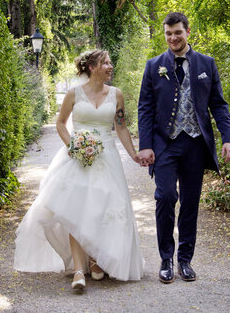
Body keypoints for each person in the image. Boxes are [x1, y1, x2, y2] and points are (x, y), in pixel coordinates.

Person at [14, 50, 144, 290]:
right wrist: (74, 147)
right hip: (78, 159)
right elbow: (60, 124)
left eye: (110, 62)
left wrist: (134, 154)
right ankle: (77, 270)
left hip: (107, 158)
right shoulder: (74, 93)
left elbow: (121, 127)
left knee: (103, 208)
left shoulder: (116, 94)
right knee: (76, 209)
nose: (110, 66)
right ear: (92, 67)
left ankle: (95, 259)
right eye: (105, 63)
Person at [138, 12, 230, 284]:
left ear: (187, 32)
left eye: (177, 33)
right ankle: (166, 259)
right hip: (165, 144)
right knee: (165, 196)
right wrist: (145, 145)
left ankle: (185, 260)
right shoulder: (153, 66)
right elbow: (145, 108)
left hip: (195, 144)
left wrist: (229, 138)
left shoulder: (206, 63)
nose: (173, 38)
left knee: (191, 202)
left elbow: (218, 104)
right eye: (168, 34)